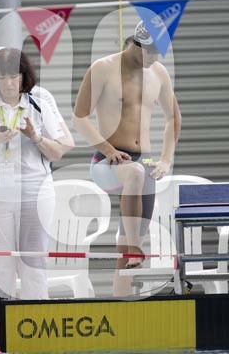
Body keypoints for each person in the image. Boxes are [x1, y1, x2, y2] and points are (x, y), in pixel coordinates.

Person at [0, 47, 72, 318]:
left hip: (35, 192)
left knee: (34, 261)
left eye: (14, 76)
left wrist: (36, 137)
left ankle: (37, 322)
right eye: (2, 77)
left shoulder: (39, 105)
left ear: (24, 76)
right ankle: (0, 325)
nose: (9, 83)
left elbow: (59, 151)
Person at [73, 21, 182, 296]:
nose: (155, 58)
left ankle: (122, 301)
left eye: (159, 53)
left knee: (126, 255)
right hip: (107, 161)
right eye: (151, 52)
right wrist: (108, 149)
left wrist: (166, 159)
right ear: (136, 43)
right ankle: (134, 248)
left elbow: (173, 118)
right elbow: (79, 117)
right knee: (134, 173)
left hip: (143, 162)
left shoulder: (158, 73)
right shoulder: (103, 68)